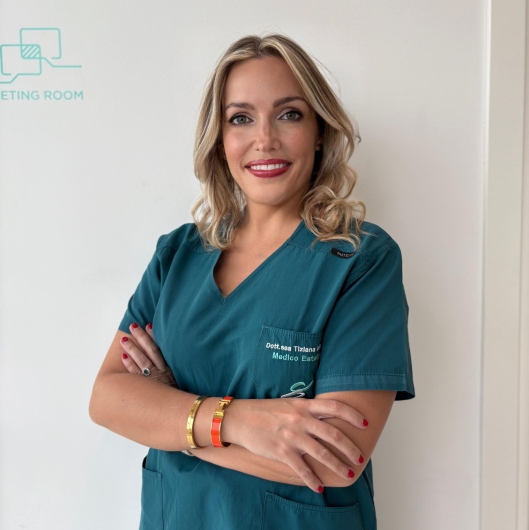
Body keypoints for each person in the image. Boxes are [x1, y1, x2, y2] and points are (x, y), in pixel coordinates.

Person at [89, 33, 415, 530]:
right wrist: (238, 422)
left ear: (319, 131)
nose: (265, 139)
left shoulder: (359, 260)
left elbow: (337, 460)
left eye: (289, 114)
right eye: (241, 118)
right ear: (220, 138)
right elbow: (108, 399)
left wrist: (174, 421)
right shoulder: (177, 255)